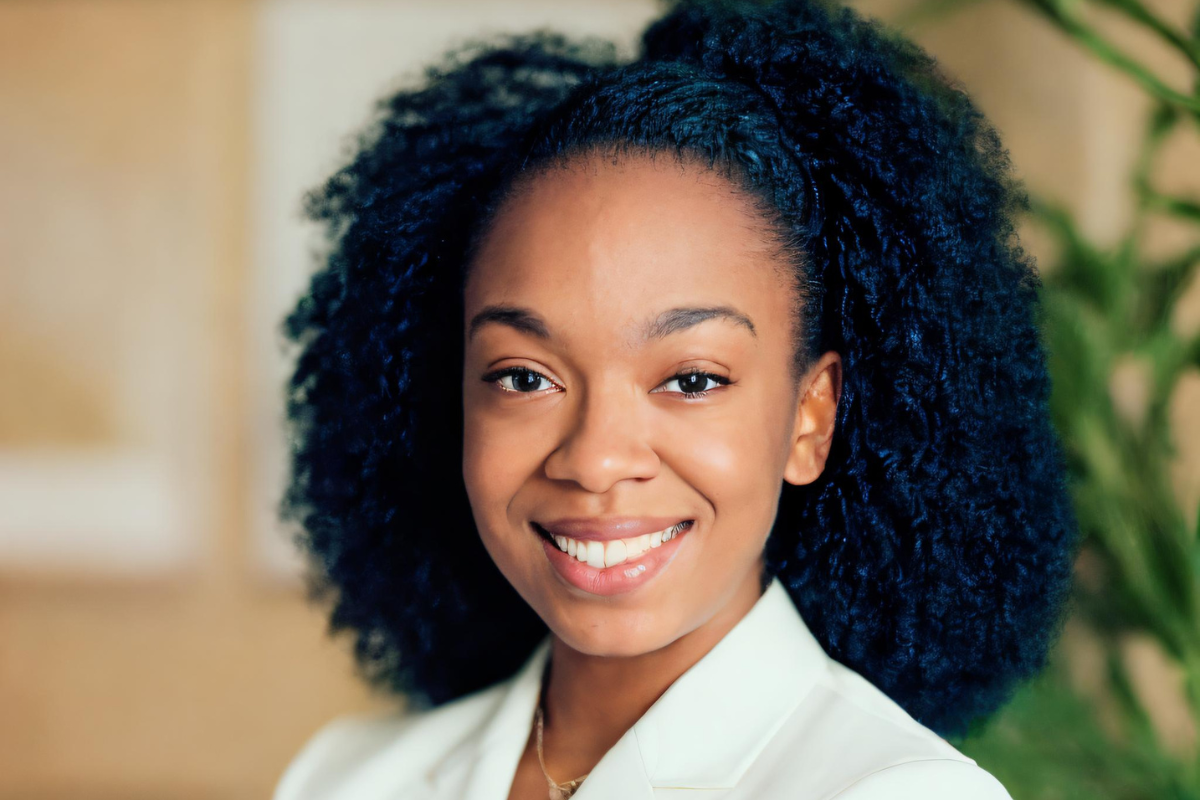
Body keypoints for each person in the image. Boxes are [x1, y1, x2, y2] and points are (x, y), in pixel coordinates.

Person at [271, 0, 1079, 797]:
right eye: (524, 377)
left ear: (811, 417)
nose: (595, 459)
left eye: (692, 380)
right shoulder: (345, 777)